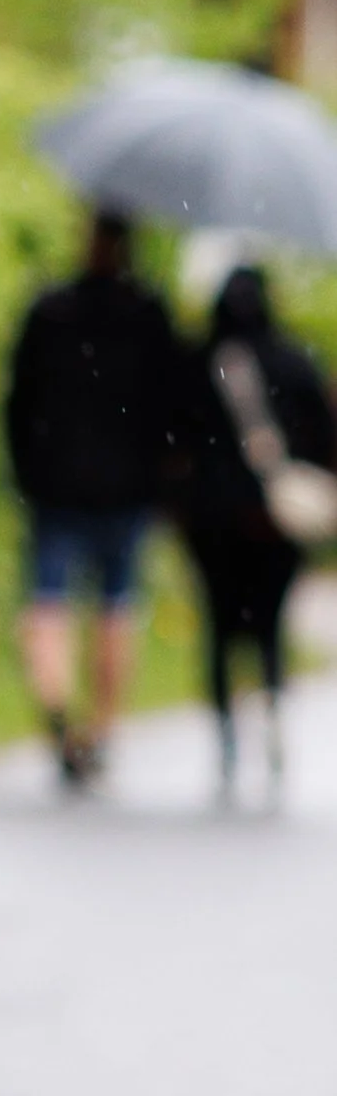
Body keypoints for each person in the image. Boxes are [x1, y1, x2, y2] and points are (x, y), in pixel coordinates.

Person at [4, 207, 180, 786]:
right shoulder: (149, 315)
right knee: (115, 606)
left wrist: (28, 471)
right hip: (125, 489)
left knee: (47, 602)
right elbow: (171, 409)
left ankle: (58, 711)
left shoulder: (50, 309)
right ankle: (101, 729)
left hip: (57, 485)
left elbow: (17, 403)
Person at [169, 263, 337, 803]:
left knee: (219, 627)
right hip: (273, 524)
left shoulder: (198, 363)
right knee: (268, 625)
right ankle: (271, 718)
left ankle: (226, 740)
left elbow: (174, 442)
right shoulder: (295, 360)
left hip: (212, 522)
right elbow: (324, 440)